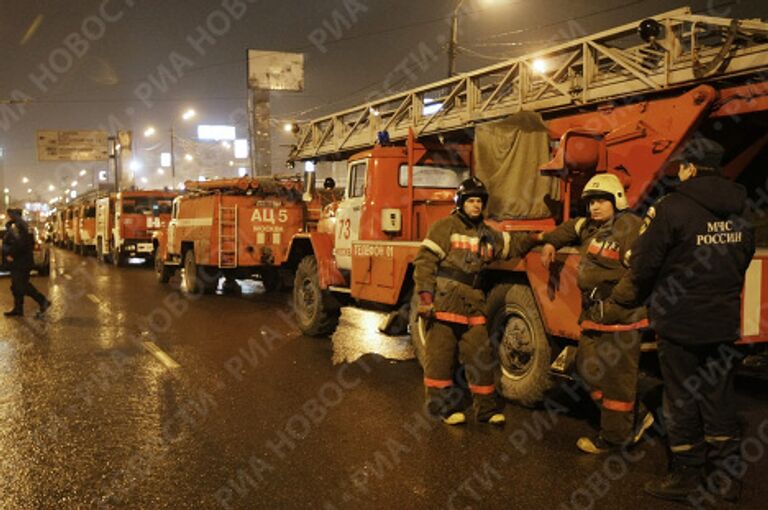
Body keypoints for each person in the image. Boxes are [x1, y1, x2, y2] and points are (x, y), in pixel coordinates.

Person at [615, 138, 754, 503]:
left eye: (681, 166)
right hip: (722, 320)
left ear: (691, 168)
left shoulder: (670, 208)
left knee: (680, 397)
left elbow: (643, 264)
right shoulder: (741, 208)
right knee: (720, 397)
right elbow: (744, 256)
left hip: (679, 323)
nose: (678, 171)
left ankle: (686, 474)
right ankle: (726, 478)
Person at [539, 173, 653, 453]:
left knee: (618, 379)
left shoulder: (630, 227)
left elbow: (642, 270)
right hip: (594, 316)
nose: (594, 207)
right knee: (586, 368)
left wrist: (618, 301)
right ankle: (633, 416)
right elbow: (568, 228)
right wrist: (551, 242)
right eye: (591, 202)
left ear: (617, 200)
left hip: (621, 317)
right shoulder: (589, 227)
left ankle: (615, 438)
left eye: (601, 201)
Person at [413, 177, 532, 425]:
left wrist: (543, 238)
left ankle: (486, 411)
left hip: (473, 303)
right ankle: (441, 409)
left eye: (480, 201)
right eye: (471, 201)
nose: (476, 205)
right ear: (461, 203)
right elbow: (424, 263)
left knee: (481, 355)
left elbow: (513, 244)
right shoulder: (444, 226)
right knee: (440, 357)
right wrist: (425, 299)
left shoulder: (487, 234)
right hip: (445, 302)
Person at [3, 208, 50, 317]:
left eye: (10, 215)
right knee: (16, 286)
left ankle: (43, 301)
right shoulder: (20, 226)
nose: (9, 217)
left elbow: (20, 244)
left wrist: (11, 254)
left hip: (21, 261)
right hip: (21, 261)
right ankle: (18, 309)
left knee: (22, 285)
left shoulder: (20, 227)